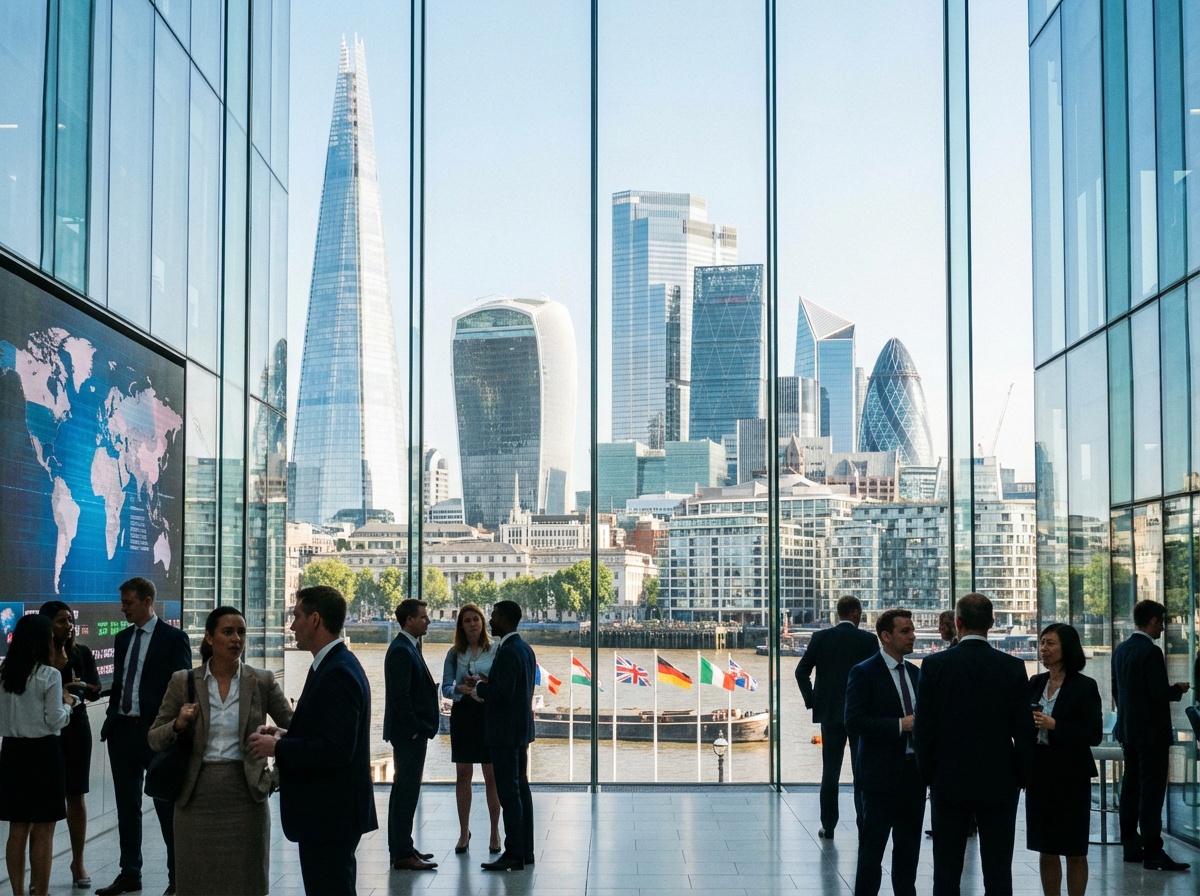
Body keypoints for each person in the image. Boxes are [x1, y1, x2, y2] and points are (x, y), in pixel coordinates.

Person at [147, 607, 294, 895]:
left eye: (241, 632)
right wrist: (177, 724)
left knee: (246, 881)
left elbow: (295, 733)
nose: (236, 638)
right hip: (194, 799)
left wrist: (274, 777)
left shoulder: (261, 681)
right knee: (196, 881)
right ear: (210, 638)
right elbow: (154, 738)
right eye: (227, 632)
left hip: (246, 798)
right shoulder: (184, 681)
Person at [248, 586, 377, 895]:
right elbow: (328, 734)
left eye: (297, 616)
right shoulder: (333, 665)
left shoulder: (337, 672)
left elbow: (337, 750)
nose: (292, 626)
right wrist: (285, 734)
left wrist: (278, 747)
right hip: (332, 813)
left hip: (329, 814)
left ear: (316, 620)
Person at [914, 592, 1034, 895]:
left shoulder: (934, 666)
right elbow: (1024, 731)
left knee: (946, 869)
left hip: (949, 777)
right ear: (992, 622)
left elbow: (924, 728)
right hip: (1000, 779)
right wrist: (1021, 776)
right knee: (997, 871)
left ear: (957, 623)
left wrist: (928, 774)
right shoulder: (1012, 668)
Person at [99, 577, 192, 896]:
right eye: (122, 602)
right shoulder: (123, 638)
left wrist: (174, 730)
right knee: (127, 806)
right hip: (122, 731)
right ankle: (130, 873)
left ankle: (177, 876)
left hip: (156, 733)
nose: (123, 608)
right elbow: (123, 682)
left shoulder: (173, 638)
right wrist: (112, 716)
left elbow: (183, 687)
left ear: (147, 601)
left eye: (128, 602)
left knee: (166, 805)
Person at [845, 608, 924, 896]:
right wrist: (898, 725)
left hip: (913, 775)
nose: (912, 636)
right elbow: (853, 721)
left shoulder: (917, 673)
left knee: (908, 852)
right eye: (905, 631)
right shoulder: (864, 672)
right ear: (886, 636)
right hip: (879, 777)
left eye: (912, 630)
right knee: (871, 853)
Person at [1111, 599, 1191, 871]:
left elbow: (1116, 691)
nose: (1163, 627)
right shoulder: (1151, 651)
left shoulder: (1121, 649)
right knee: (1152, 792)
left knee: (1131, 788)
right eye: (1162, 621)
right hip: (1152, 735)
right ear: (1154, 620)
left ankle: (1131, 847)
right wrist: (1178, 689)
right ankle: (1154, 851)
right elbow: (1158, 693)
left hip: (1128, 730)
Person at [0, 614, 75, 896]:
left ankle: (18, 892)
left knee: (17, 828)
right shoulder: (49, 675)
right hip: (43, 754)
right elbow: (55, 719)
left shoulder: (3, 674)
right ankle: (40, 893)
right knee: (44, 830)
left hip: (12, 753)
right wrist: (69, 704)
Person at [1026, 623, 1102, 896]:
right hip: (1040, 774)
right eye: (1042, 643)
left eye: (1050, 643)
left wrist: (1055, 725)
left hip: (1071, 776)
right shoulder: (1035, 682)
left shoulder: (1084, 686)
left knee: (1074, 849)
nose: (1043, 649)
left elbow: (1094, 734)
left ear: (1066, 648)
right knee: (1046, 848)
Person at [795, 595, 878, 838]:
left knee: (830, 772)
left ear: (838, 613)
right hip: (860, 715)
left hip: (830, 714)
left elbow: (801, 672)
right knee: (860, 771)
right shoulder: (868, 640)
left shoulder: (821, 638)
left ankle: (828, 825)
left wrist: (813, 701)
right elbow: (876, 675)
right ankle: (864, 823)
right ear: (855, 613)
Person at [38, 600, 101, 890]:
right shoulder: (34, 655)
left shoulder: (81, 653)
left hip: (76, 729)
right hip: (43, 732)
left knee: (75, 795)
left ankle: (78, 862)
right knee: (43, 803)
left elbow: (95, 690)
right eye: (62, 620)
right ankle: (40, 871)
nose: (69, 626)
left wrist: (84, 690)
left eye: (70, 621)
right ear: (46, 623)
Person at [474, 600, 536, 872]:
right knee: (521, 790)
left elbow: (502, 695)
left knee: (509, 795)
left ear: (507, 619)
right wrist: (491, 682)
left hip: (504, 735)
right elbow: (515, 689)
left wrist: (478, 688)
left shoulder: (509, 651)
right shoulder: (524, 649)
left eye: (495, 615)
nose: (490, 620)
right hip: (520, 732)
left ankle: (513, 854)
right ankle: (526, 851)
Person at [440, 603, 501, 855]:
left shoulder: (496, 650)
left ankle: (495, 831)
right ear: (461, 626)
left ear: (483, 622)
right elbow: (444, 687)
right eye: (467, 620)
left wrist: (485, 682)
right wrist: (459, 689)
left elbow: (500, 684)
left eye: (476, 619)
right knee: (463, 774)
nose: (472, 624)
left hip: (487, 714)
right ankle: (464, 832)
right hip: (464, 714)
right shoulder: (454, 653)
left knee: (491, 775)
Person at [383, 599, 439, 871]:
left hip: (411, 733)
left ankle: (404, 846)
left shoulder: (407, 647)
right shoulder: (402, 650)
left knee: (405, 791)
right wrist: (416, 728)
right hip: (409, 735)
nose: (428, 621)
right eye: (423, 617)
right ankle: (402, 852)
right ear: (408, 621)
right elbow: (400, 695)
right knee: (405, 791)